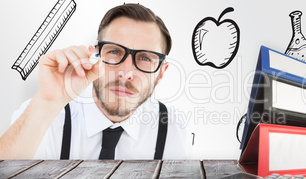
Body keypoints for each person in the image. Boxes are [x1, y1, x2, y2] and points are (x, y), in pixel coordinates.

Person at [0, 3, 190, 160]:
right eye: (115, 52)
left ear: (161, 73)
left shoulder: (173, 129)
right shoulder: (46, 113)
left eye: (145, 58)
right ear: (95, 54)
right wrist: (47, 102)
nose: (126, 73)